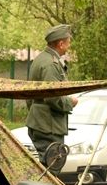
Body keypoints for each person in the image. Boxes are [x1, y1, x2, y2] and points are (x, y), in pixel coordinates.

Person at [26, 24, 77, 163]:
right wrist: (70, 102)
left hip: (43, 123)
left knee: (48, 165)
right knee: (53, 165)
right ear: (61, 44)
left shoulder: (41, 59)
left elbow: (30, 97)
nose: (69, 45)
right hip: (48, 126)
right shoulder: (50, 65)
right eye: (68, 42)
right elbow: (53, 97)